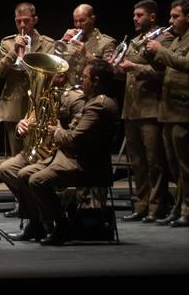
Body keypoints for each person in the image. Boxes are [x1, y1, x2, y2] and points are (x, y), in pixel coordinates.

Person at [20, 59, 120, 245]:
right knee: (24, 173)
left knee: (37, 180)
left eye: (85, 77)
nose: (82, 81)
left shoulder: (99, 106)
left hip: (87, 165)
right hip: (71, 157)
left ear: (96, 80)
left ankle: (61, 226)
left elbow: (74, 140)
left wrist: (56, 131)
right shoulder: (93, 102)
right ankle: (42, 225)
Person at [0, 66, 85, 240]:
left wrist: (58, 130)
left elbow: (77, 132)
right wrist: (21, 126)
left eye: (51, 75)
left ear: (62, 76)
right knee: (6, 169)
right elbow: (30, 122)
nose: (46, 79)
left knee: (29, 177)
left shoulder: (75, 98)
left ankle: (41, 221)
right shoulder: (39, 97)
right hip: (37, 150)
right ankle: (38, 217)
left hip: (58, 153)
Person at [115, 0, 172, 222]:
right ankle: (142, 204)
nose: (135, 19)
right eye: (134, 15)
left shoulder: (163, 38)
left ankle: (157, 206)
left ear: (152, 17)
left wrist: (134, 67)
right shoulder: (135, 41)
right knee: (137, 161)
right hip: (131, 108)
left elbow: (164, 71)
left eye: (139, 15)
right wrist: (116, 69)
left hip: (151, 108)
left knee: (154, 161)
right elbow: (125, 73)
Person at [147, 0, 189, 227]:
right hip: (168, 109)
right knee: (174, 165)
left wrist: (160, 49)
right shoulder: (177, 39)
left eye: (175, 16)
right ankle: (179, 207)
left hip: (183, 108)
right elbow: (163, 66)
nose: (170, 21)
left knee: (187, 165)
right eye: (170, 16)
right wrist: (151, 51)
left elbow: (188, 64)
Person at [0, 3, 58, 156]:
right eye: (18, 21)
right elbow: (0, 72)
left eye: (26, 20)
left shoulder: (48, 44)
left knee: (37, 153)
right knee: (16, 155)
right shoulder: (7, 43)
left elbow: (52, 75)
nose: (22, 25)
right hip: (14, 104)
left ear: (35, 19)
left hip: (38, 105)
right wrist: (13, 51)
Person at [56, 3, 118, 83]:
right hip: (68, 92)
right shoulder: (70, 39)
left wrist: (86, 55)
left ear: (92, 19)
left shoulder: (107, 42)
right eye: (75, 21)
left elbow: (109, 73)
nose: (78, 25)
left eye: (82, 21)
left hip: (91, 93)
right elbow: (54, 63)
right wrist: (62, 40)